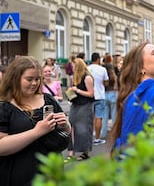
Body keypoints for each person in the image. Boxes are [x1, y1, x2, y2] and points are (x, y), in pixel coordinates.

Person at [0, 56, 70, 185]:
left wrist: (65, 124)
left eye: (37, 79)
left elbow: (66, 130)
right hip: (18, 175)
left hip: (49, 173)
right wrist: (37, 132)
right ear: (15, 78)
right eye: (29, 79)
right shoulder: (4, 106)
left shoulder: (48, 99)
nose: (34, 83)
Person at [66, 58, 94, 161]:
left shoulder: (87, 78)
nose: (72, 67)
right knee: (71, 125)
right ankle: (71, 150)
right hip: (75, 104)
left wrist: (77, 90)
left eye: (73, 66)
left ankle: (85, 152)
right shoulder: (75, 78)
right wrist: (70, 92)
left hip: (85, 105)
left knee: (83, 128)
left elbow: (91, 94)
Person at [88, 52, 109, 145]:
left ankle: (89, 137)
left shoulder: (87, 69)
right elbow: (106, 82)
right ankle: (97, 138)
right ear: (98, 59)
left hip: (89, 96)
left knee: (89, 117)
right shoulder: (102, 69)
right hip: (100, 95)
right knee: (99, 117)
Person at [100, 62, 118, 139]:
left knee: (105, 116)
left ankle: (103, 133)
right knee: (114, 115)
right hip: (112, 94)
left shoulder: (103, 75)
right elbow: (116, 86)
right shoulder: (113, 76)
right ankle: (114, 133)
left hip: (105, 94)